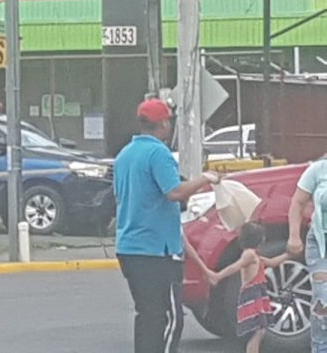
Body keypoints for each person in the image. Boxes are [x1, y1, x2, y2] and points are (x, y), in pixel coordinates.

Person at [114, 98, 220, 353]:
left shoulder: (124, 155)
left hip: (129, 247)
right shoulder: (158, 153)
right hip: (155, 251)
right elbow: (174, 192)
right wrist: (205, 178)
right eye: (169, 122)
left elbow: (121, 197)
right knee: (171, 317)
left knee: (148, 316)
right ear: (162, 124)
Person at [208, 222, 289, 353]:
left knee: (259, 330)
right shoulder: (249, 254)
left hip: (258, 294)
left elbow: (272, 262)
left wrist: (288, 255)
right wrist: (218, 276)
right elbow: (235, 266)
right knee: (257, 330)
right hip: (252, 294)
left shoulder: (254, 255)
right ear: (259, 239)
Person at [287, 156, 327, 352]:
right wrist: (294, 236)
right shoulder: (317, 170)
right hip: (320, 243)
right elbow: (297, 203)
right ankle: (320, 348)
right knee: (323, 299)